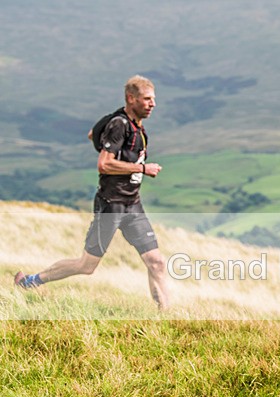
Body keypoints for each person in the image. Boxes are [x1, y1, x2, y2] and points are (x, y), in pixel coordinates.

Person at [14, 75, 169, 309]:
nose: (153, 104)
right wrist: (142, 168)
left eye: (153, 99)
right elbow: (104, 164)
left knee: (156, 262)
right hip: (111, 204)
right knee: (86, 266)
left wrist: (107, 141)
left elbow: (92, 134)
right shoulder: (119, 124)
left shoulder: (136, 126)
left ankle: (164, 316)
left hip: (132, 204)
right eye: (147, 99)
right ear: (131, 98)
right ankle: (29, 282)